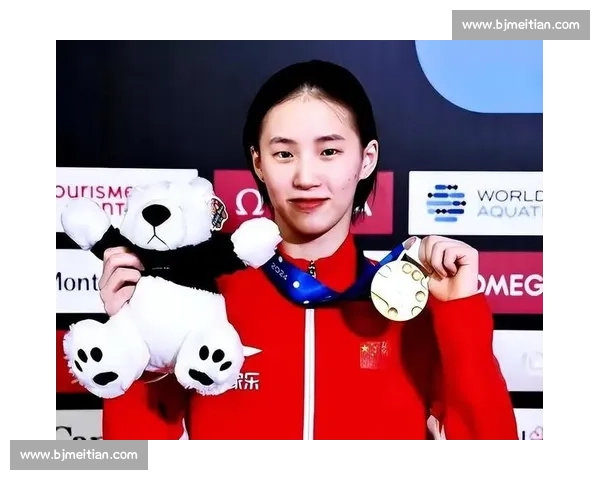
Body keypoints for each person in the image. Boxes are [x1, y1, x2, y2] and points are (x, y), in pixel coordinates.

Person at [98, 59, 518, 440]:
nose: (305, 177)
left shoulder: (411, 303)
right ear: (258, 162)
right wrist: (133, 342)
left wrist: (460, 314)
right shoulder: (200, 294)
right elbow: (137, 457)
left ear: (366, 158)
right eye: (284, 153)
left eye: (329, 151)